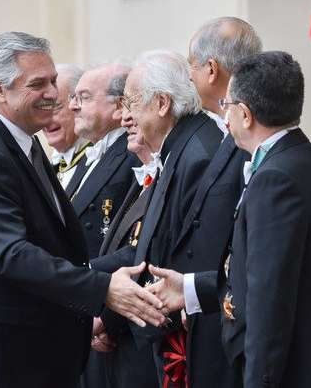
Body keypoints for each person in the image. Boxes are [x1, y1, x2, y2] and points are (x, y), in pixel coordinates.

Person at [0, 32, 165, 388]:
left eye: (52, 81)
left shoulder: (19, 140)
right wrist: (102, 288)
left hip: (22, 350)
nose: (52, 93)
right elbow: (12, 254)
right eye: (37, 84)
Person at [148, 51, 311, 387]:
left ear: (245, 114)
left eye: (227, 104)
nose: (224, 115)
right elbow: (268, 276)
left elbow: (268, 303)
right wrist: (190, 288)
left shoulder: (275, 180)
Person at [166, 16, 260, 387]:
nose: (188, 77)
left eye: (191, 66)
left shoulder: (249, 136)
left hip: (228, 314)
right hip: (205, 305)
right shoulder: (224, 132)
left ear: (210, 69)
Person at [125, 49, 222, 386]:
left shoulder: (198, 154)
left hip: (190, 339)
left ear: (162, 104)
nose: (126, 115)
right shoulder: (180, 146)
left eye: (131, 102)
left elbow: (195, 254)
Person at [91, 106, 160, 388]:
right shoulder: (143, 176)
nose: (125, 118)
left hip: (143, 341)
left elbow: (140, 255)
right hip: (120, 339)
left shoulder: (168, 174)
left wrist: (83, 272)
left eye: (135, 106)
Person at [69, 63, 139, 260]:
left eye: (84, 97)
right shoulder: (88, 154)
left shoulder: (134, 153)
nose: (72, 106)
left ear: (119, 106)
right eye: (73, 97)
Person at [42, 63, 92, 192]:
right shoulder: (47, 166)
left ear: (79, 104)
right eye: (41, 109)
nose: (45, 120)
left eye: (55, 107)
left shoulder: (99, 158)